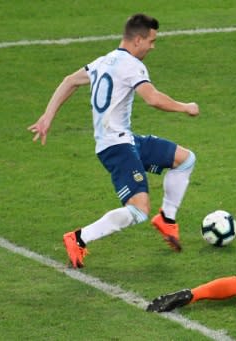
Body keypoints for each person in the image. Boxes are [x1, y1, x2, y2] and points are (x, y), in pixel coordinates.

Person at [28, 13, 199, 268]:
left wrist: (47, 116)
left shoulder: (103, 61)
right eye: (151, 41)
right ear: (138, 39)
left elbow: (69, 81)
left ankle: (167, 219)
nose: (153, 46)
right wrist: (185, 107)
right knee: (139, 210)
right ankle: (79, 238)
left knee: (185, 159)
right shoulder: (131, 65)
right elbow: (152, 98)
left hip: (127, 140)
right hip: (115, 147)